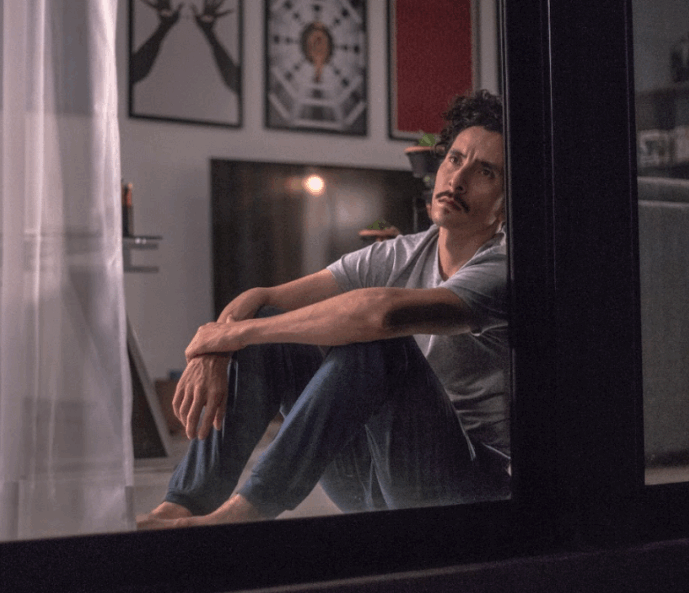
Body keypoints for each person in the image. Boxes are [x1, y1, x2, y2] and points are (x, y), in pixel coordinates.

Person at [138, 90, 510, 529]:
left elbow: (381, 315)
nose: (459, 179)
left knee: (378, 343)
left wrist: (230, 335)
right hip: (375, 478)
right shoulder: (400, 253)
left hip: (463, 489)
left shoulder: (504, 267)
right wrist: (216, 349)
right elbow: (262, 299)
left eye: (485, 172)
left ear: (507, 200)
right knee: (269, 333)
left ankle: (247, 510)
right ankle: (182, 506)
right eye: (455, 159)